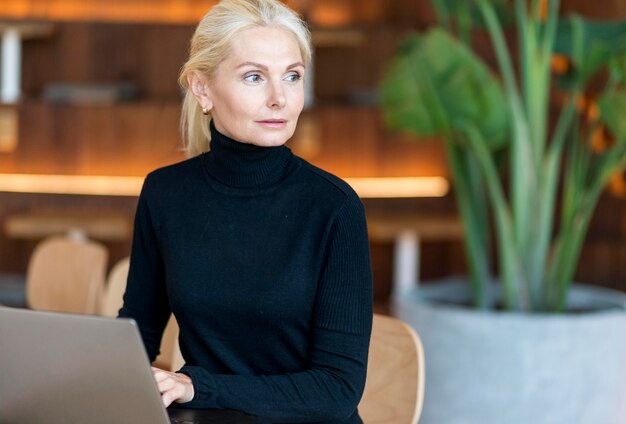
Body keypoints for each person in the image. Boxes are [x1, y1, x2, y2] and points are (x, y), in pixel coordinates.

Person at [118, 0, 373, 422]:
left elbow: (337, 388)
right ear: (202, 89)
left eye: (292, 76)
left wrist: (199, 387)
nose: (279, 98)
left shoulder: (335, 207)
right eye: (254, 77)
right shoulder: (165, 193)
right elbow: (137, 333)